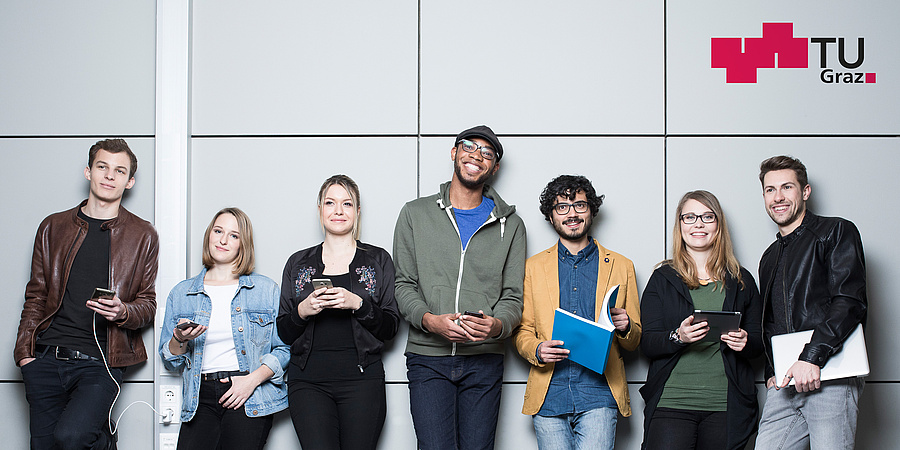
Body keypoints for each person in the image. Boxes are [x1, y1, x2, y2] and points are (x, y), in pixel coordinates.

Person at [14, 138, 159, 450]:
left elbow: (148, 304)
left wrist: (123, 312)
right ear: (88, 172)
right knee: (44, 446)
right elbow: (36, 295)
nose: (109, 175)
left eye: (119, 171)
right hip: (45, 358)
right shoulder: (52, 227)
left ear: (129, 181)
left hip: (101, 361)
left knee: (72, 437)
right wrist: (25, 355)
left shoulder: (142, 234)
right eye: (102, 167)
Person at [393, 125, 527, 450]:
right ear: (454, 153)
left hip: (485, 360)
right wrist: (429, 320)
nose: (476, 155)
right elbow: (403, 285)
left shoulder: (511, 225)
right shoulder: (415, 214)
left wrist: (497, 326)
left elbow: (513, 297)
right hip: (428, 357)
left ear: (494, 168)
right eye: (469, 146)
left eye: (487, 153)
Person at [513, 175, 641, 450]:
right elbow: (523, 331)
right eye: (562, 207)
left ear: (592, 210)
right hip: (549, 394)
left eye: (580, 205)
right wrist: (536, 349)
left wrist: (627, 326)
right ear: (551, 216)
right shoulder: (532, 268)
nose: (572, 214)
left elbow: (635, 341)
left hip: (599, 392)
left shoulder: (621, 265)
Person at [277, 174, 400, 450]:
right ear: (320, 209)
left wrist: (358, 304)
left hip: (362, 382)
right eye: (330, 203)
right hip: (307, 382)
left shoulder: (378, 260)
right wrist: (303, 310)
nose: (338, 211)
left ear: (357, 212)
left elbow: (391, 327)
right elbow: (283, 330)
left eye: (347, 204)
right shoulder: (298, 263)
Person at [754, 156, 866, 450]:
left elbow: (849, 301)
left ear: (805, 191)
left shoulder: (836, 231)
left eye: (786, 187)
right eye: (770, 190)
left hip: (830, 375)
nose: (777, 197)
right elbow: (771, 321)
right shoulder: (768, 257)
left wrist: (812, 357)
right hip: (786, 381)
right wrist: (770, 372)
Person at [640, 190, 763, 450]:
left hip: (726, 405)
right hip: (672, 402)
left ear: (718, 225)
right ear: (680, 225)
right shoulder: (662, 278)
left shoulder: (741, 280)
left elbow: (759, 342)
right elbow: (647, 342)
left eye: (707, 217)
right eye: (690, 217)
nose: (698, 224)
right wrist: (678, 337)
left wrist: (745, 342)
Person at [159, 207, 289, 450]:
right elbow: (170, 360)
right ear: (209, 234)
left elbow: (285, 349)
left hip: (246, 392)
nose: (222, 240)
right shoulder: (182, 293)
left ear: (243, 244)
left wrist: (251, 381)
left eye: (233, 235)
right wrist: (179, 338)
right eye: (218, 231)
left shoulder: (265, 290)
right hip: (199, 396)